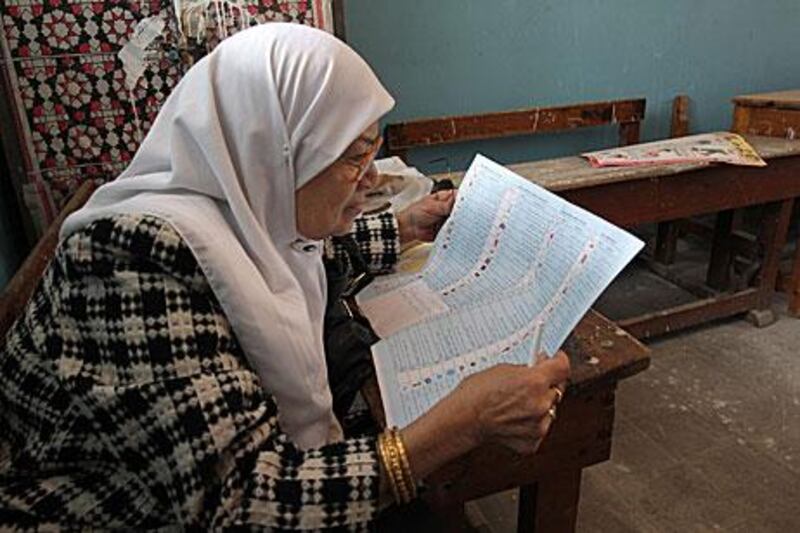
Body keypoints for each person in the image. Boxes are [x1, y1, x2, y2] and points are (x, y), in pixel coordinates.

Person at [0, 23, 569, 529]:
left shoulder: (241, 208)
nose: (369, 178)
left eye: (372, 150)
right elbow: (244, 502)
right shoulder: (133, 261)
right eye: (352, 156)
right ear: (274, 152)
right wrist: (462, 423)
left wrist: (404, 226)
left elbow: (300, 262)